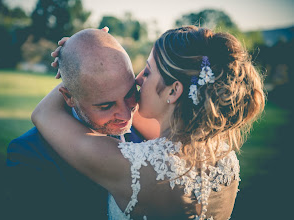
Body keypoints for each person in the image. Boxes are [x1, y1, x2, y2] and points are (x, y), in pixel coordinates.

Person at [32, 26, 265, 219]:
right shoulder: (225, 158)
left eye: (149, 70)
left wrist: (73, 55)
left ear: (174, 91)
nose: (138, 78)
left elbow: (44, 114)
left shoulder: (137, 168)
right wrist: (92, 50)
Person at [6, 28, 158, 220]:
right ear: (69, 97)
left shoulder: (154, 133)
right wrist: (77, 58)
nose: (126, 114)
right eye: (106, 106)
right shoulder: (30, 155)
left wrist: (89, 51)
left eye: (130, 94)